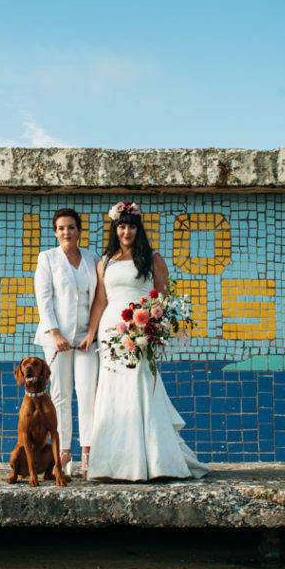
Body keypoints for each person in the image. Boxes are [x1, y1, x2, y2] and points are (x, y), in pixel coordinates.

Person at [84, 201, 209, 481]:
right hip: (111, 335)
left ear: (138, 229)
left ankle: (152, 461)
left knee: (141, 387)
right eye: (122, 226)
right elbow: (101, 300)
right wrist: (92, 333)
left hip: (141, 331)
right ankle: (112, 465)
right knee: (113, 393)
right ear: (115, 229)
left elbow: (163, 298)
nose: (126, 232)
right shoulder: (105, 261)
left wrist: (155, 327)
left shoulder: (152, 258)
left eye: (131, 227)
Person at [33, 208, 100, 475]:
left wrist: (92, 332)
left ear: (79, 230)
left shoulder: (92, 258)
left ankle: (87, 453)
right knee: (60, 396)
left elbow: (98, 298)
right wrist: (55, 333)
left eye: (71, 227)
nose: (66, 232)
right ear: (55, 232)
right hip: (56, 339)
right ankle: (63, 454)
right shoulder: (47, 259)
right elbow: (44, 299)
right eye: (61, 228)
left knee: (87, 394)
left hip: (86, 339)